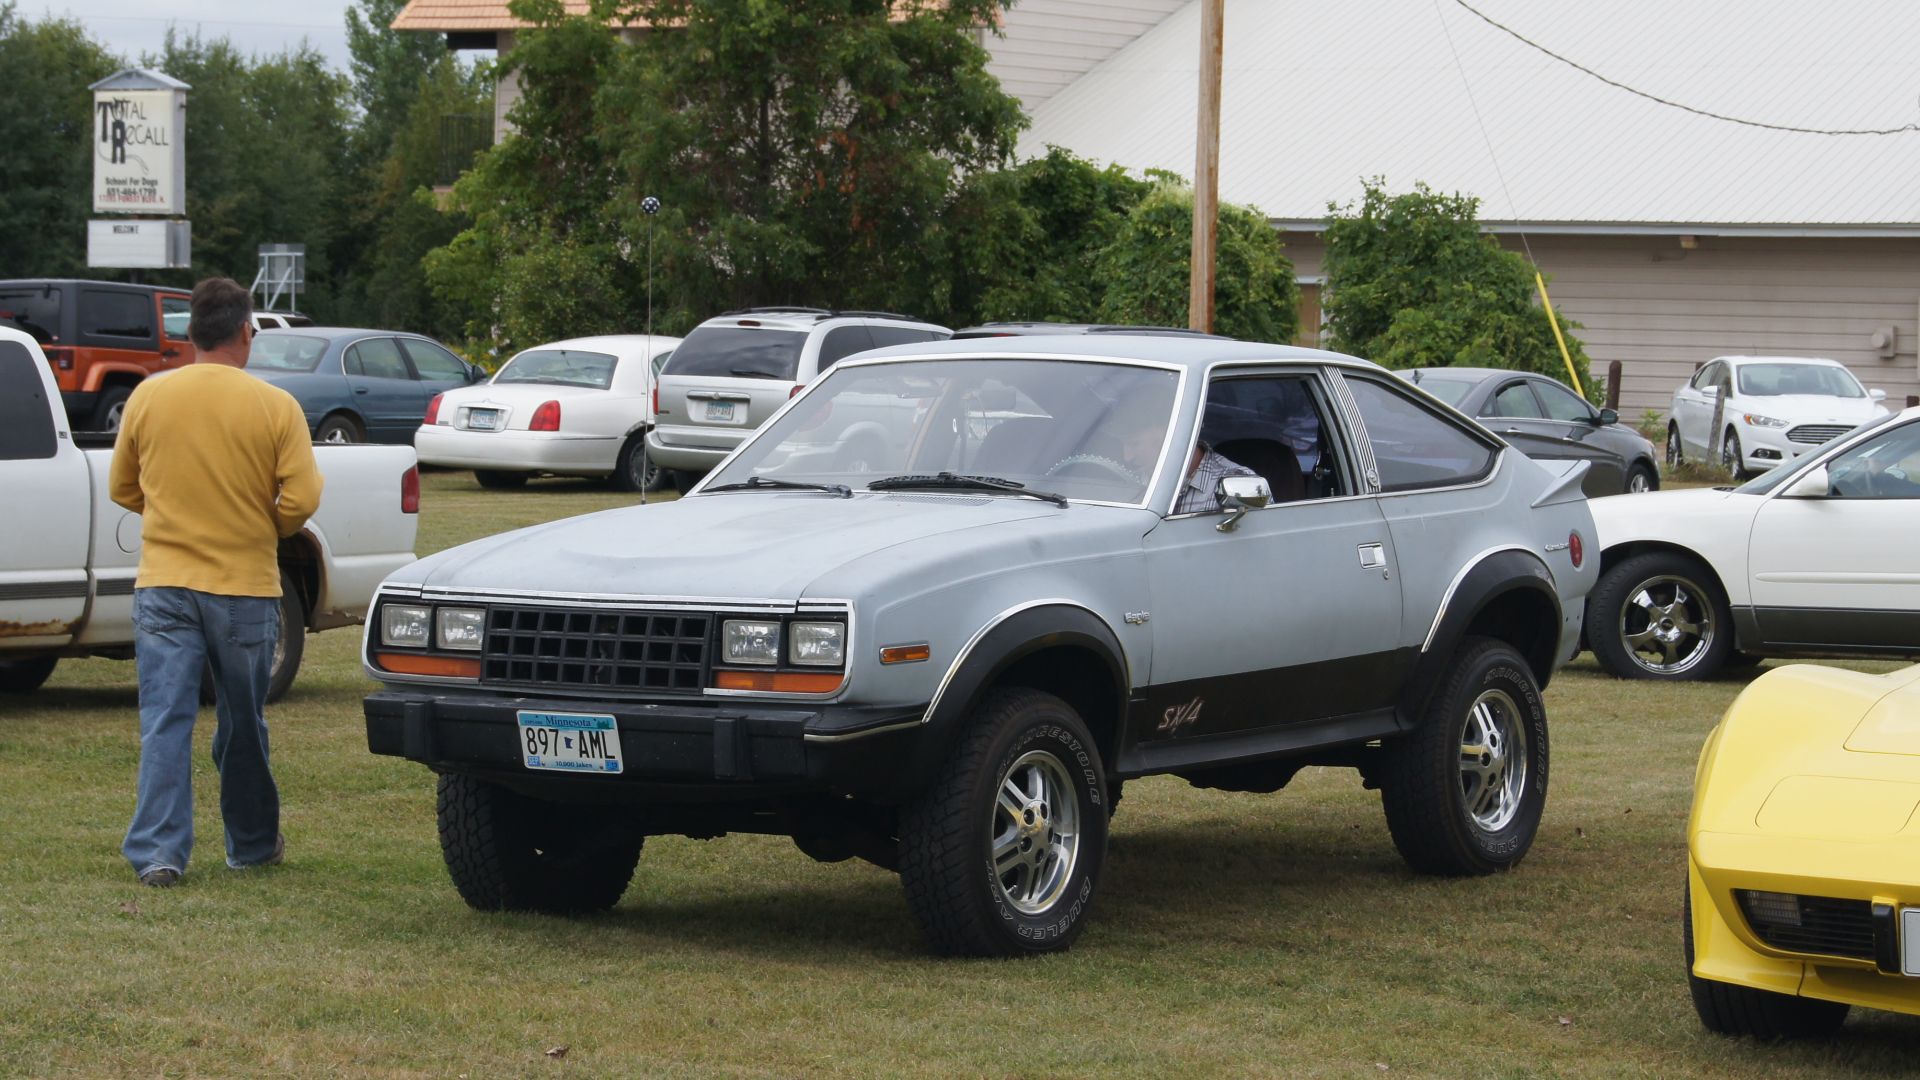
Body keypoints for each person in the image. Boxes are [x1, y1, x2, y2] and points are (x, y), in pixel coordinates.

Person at [111, 277, 323, 887]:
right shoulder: (275, 405)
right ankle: (251, 844)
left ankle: (159, 853)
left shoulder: (149, 396)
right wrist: (265, 524)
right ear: (245, 332)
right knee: (242, 721)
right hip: (244, 585)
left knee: (165, 719)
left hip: (165, 584)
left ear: (192, 334)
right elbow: (303, 496)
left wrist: (168, 511)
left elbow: (122, 486)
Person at [1111, 389, 1255, 515]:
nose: (1127, 457)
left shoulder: (1237, 483)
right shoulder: (1133, 479)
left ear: (1169, 433)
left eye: (1134, 444)